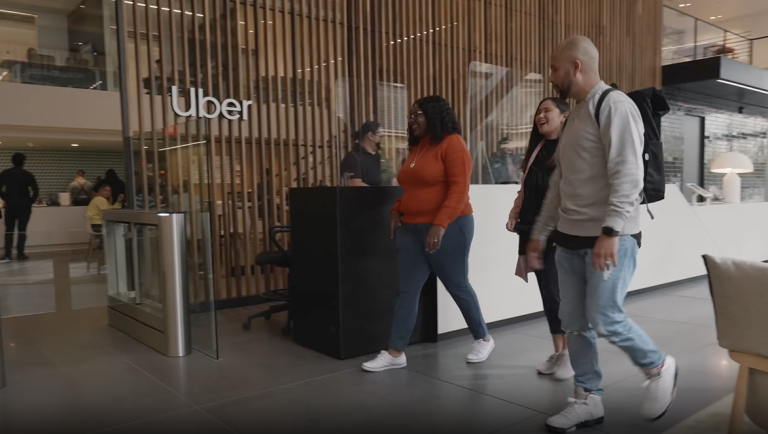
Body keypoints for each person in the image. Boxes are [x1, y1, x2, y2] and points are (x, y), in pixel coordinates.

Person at [527, 36, 677, 432]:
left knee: (606, 317)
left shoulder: (614, 106)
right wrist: (540, 233)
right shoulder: (575, 117)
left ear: (576, 66)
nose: (552, 75)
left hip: (611, 239)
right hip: (568, 241)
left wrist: (610, 230)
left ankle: (658, 367)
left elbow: (628, 173)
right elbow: (559, 185)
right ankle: (588, 398)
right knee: (575, 323)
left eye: (556, 68)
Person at [362, 96, 494, 372]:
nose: (412, 120)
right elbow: (414, 189)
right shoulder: (417, 147)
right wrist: (397, 208)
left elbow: (459, 189)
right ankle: (396, 352)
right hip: (411, 229)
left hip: (450, 226)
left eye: (418, 114)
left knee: (457, 284)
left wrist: (440, 224)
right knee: (407, 290)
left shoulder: (453, 143)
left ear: (434, 115)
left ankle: (483, 338)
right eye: (410, 116)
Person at [507, 97, 573, 380]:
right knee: (548, 294)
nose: (540, 115)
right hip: (533, 231)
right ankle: (559, 352)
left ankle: (570, 353)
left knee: (559, 295)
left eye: (547, 110)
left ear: (564, 116)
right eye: (538, 111)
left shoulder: (572, 149)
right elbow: (526, 189)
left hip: (561, 234)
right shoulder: (536, 150)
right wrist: (515, 212)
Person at [0, 153, 38, 261]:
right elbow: (35, 190)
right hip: (24, 206)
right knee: (22, 230)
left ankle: (8, 254)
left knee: (9, 230)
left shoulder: (5, 173)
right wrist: (30, 201)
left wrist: (5, 198)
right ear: (23, 162)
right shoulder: (28, 174)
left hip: (11, 206)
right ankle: (20, 253)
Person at [340, 121, 383, 186]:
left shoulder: (379, 157)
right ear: (371, 136)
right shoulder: (353, 158)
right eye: (380, 136)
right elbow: (354, 183)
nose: (382, 139)